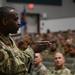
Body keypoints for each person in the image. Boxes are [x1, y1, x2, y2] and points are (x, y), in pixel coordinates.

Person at [0, 6, 49, 75]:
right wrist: (32, 50)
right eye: (16, 19)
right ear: (5, 21)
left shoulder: (8, 39)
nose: (19, 23)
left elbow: (19, 58)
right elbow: (9, 68)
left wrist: (32, 47)